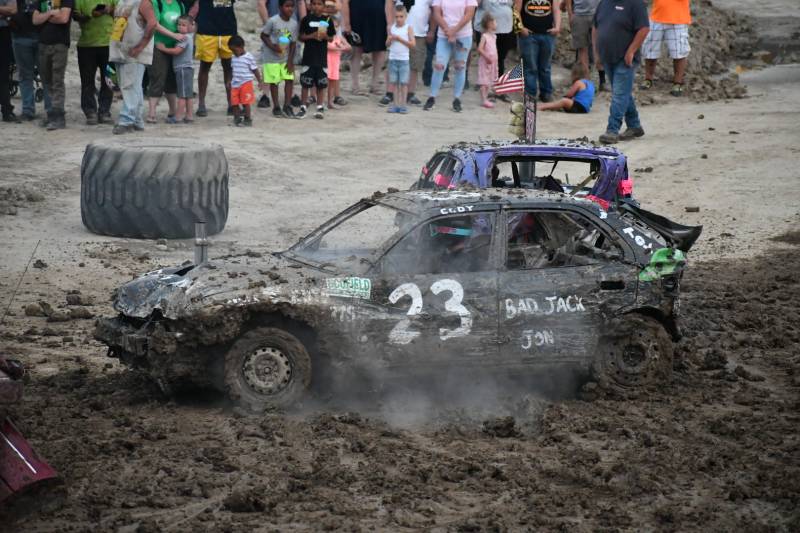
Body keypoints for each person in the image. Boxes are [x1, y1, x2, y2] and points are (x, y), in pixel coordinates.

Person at [593, 0, 649, 144]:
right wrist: (597, 54)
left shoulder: (636, 4)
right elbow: (595, 28)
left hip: (625, 59)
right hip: (607, 56)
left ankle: (612, 130)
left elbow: (644, 29)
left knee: (619, 94)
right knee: (622, 92)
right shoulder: (604, 3)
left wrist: (631, 51)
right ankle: (634, 125)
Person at [109, 0, 157, 134]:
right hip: (122, 51)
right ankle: (136, 120)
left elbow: (152, 23)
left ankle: (126, 120)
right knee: (133, 86)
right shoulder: (121, 1)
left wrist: (140, 47)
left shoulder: (143, 2)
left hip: (133, 53)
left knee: (129, 86)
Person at [422, 0, 477, 113]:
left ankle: (457, 99)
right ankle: (432, 97)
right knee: (439, 65)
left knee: (460, 67)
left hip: (463, 35)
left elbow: (469, 14)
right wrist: (448, 30)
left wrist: (454, 30)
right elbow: (437, 13)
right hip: (444, 34)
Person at [188, 0, 236, 117]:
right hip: (207, 30)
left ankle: (231, 103)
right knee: (205, 66)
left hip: (227, 29)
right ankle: (201, 104)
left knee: (228, 67)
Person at [32, 0, 73, 130]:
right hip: (43, 43)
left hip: (59, 44)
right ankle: (51, 114)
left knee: (57, 80)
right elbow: (35, 20)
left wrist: (44, 17)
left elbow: (63, 18)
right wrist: (51, 13)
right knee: (47, 80)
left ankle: (59, 117)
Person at [72, 0, 115, 125]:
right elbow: (75, 16)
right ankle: (90, 112)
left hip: (109, 44)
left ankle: (104, 111)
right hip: (86, 45)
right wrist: (91, 15)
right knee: (87, 81)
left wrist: (109, 10)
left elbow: (122, 13)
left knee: (109, 80)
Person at [145, 0, 185, 123]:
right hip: (158, 45)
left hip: (175, 47)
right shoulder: (156, 3)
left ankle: (172, 111)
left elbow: (184, 22)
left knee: (172, 79)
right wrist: (174, 35)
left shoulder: (179, 4)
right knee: (157, 77)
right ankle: (151, 113)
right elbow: (154, 24)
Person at [10, 0, 50, 121]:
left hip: (42, 37)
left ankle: (51, 111)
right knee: (24, 75)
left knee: (46, 76)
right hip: (19, 36)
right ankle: (28, 110)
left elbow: (49, 9)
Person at [640, 0, 690, 96]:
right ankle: (648, 79)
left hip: (678, 19)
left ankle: (677, 83)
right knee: (650, 50)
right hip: (656, 17)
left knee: (679, 52)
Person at [513, 0, 560, 103]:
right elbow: (516, 10)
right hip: (529, 35)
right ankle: (530, 94)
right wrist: (520, 28)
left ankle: (546, 93)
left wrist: (557, 27)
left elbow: (556, 9)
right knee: (530, 67)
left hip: (548, 35)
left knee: (546, 67)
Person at [261, 0, 298, 118]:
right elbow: (263, 35)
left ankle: (287, 105)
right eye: (287, 6)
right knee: (274, 81)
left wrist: (290, 61)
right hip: (271, 58)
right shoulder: (273, 21)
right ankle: (276, 106)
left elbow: (293, 43)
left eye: (292, 6)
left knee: (289, 79)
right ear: (280, 7)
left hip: (285, 57)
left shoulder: (294, 24)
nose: (290, 9)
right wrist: (273, 46)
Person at [298, 0, 334, 119]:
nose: (316, 6)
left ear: (324, 6)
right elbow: (301, 37)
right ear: (310, 5)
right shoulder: (306, 19)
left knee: (321, 84)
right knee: (305, 83)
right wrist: (311, 36)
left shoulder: (328, 20)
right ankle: (303, 107)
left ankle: (319, 107)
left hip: (321, 58)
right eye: (314, 4)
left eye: (319, 4)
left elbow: (331, 38)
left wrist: (326, 36)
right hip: (308, 57)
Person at [342, 0, 386, 96]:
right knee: (356, 50)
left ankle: (375, 84)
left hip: (380, 17)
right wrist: (346, 22)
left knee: (380, 50)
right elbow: (345, 2)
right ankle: (355, 85)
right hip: (357, 16)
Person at [155, 13, 193, 122]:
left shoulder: (184, 38)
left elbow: (177, 51)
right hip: (188, 68)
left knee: (181, 95)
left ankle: (178, 117)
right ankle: (189, 115)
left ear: (190, 26)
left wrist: (163, 49)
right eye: (179, 24)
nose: (180, 27)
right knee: (188, 94)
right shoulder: (189, 37)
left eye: (184, 25)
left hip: (182, 68)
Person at [471, 0, 513, 97]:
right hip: (485, 28)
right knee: (486, 58)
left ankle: (499, 86)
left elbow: (517, 3)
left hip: (505, 27)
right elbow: (474, 3)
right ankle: (485, 85)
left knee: (500, 58)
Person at [565, 0, 604, 91]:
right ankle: (585, 82)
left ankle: (603, 80)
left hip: (597, 14)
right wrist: (570, 14)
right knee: (582, 49)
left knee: (599, 47)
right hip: (579, 15)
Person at [228, 34, 263, 126]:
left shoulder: (249, 57)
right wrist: (229, 80)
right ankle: (237, 118)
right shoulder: (233, 58)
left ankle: (248, 119)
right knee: (234, 102)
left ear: (241, 47)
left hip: (246, 83)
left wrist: (260, 81)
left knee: (245, 102)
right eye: (231, 51)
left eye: (234, 50)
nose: (233, 53)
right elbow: (232, 70)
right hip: (235, 84)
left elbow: (255, 70)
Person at [385, 3, 413, 114]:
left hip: (404, 60)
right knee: (394, 83)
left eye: (401, 16)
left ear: (405, 17)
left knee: (404, 83)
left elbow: (412, 44)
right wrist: (390, 40)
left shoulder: (408, 28)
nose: (399, 19)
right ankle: (396, 104)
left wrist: (399, 39)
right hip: (393, 59)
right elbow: (387, 44)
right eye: (396, 16)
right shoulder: (392, 28)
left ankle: (403, 105)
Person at [406, 0, 432, 105]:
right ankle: (391, 93)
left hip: (420, 32)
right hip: (400, 31)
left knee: (415, 65)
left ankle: (410, 93)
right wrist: (389, 24)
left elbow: (434, 9)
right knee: (395, 63)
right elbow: (389, 3)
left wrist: (432, 30)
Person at [326, 10, 350, 108]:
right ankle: (322, 102)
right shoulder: (327, 37)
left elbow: (349, 47)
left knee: (332, 83)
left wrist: (343, 47)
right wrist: (340, 48)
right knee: (324, 83)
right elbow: (328, 47)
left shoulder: (339, 37)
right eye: (332, 26)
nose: (334, 28)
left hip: (335, 64)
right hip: (327, 63)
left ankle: (330, 102)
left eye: (336, 26)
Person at [0, 0, 19, 122]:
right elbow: (7, 11)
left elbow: (12, 10)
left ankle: (6, 110)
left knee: (3, 74)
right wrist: (3, 11)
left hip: (2, 33)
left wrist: (7, 12)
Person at [476, 12, 497, 108]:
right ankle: (483, 99)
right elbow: (480, 49)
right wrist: (487, 56)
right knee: (484, 81)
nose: (496, 24)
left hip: (492, 62)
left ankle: (486, 98)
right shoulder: (484, 36)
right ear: (489, 24)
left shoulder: (494, 36)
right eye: (495, 22)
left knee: (489, 81)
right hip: (485, 62)